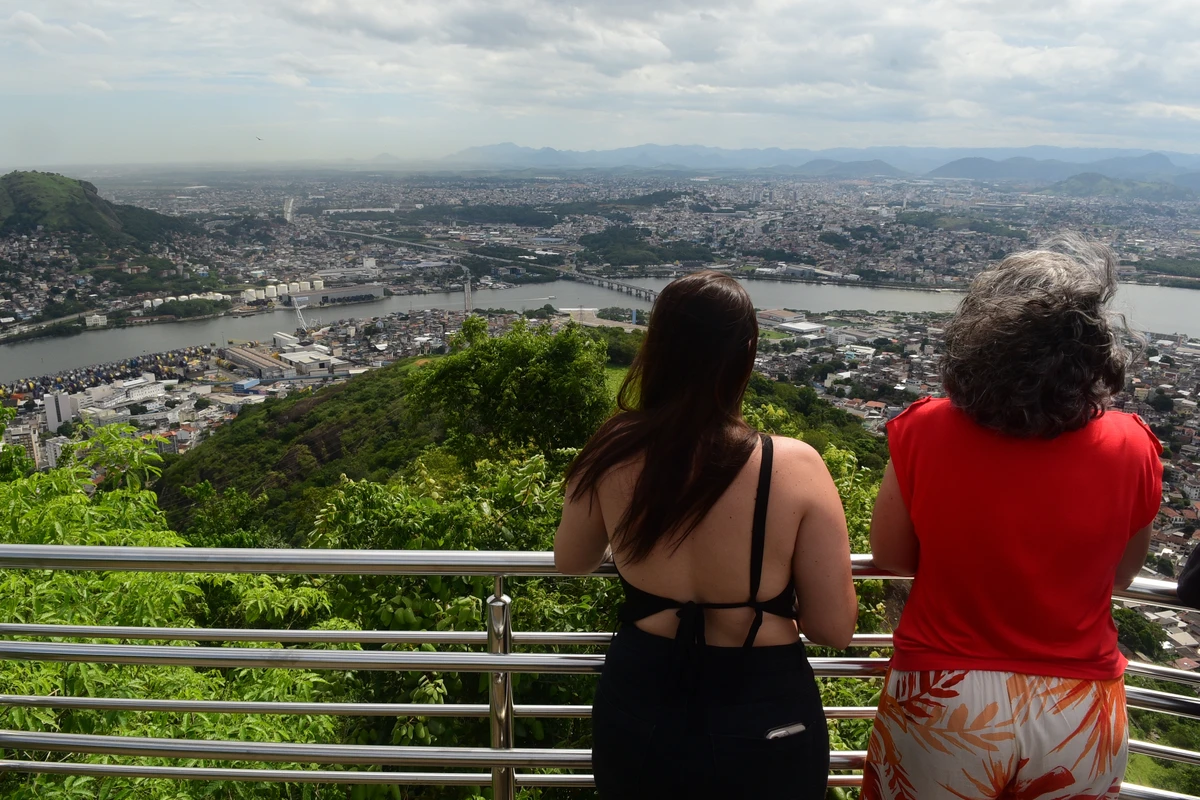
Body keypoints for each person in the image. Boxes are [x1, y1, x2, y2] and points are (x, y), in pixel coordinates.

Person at [862, 236, 1163, 800]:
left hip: (945, 692)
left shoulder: (924, 430)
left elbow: (892, 558)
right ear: (1091, 345)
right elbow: (1120, 577)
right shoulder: (1133, 446)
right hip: (1080, 703)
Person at [554, 270, 858, 799]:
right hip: (763, 701)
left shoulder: (613, 449)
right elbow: (834, 627)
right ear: (745, 354)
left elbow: (571, 560)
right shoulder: (794, 465)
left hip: (642, 691)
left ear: (658, 347)